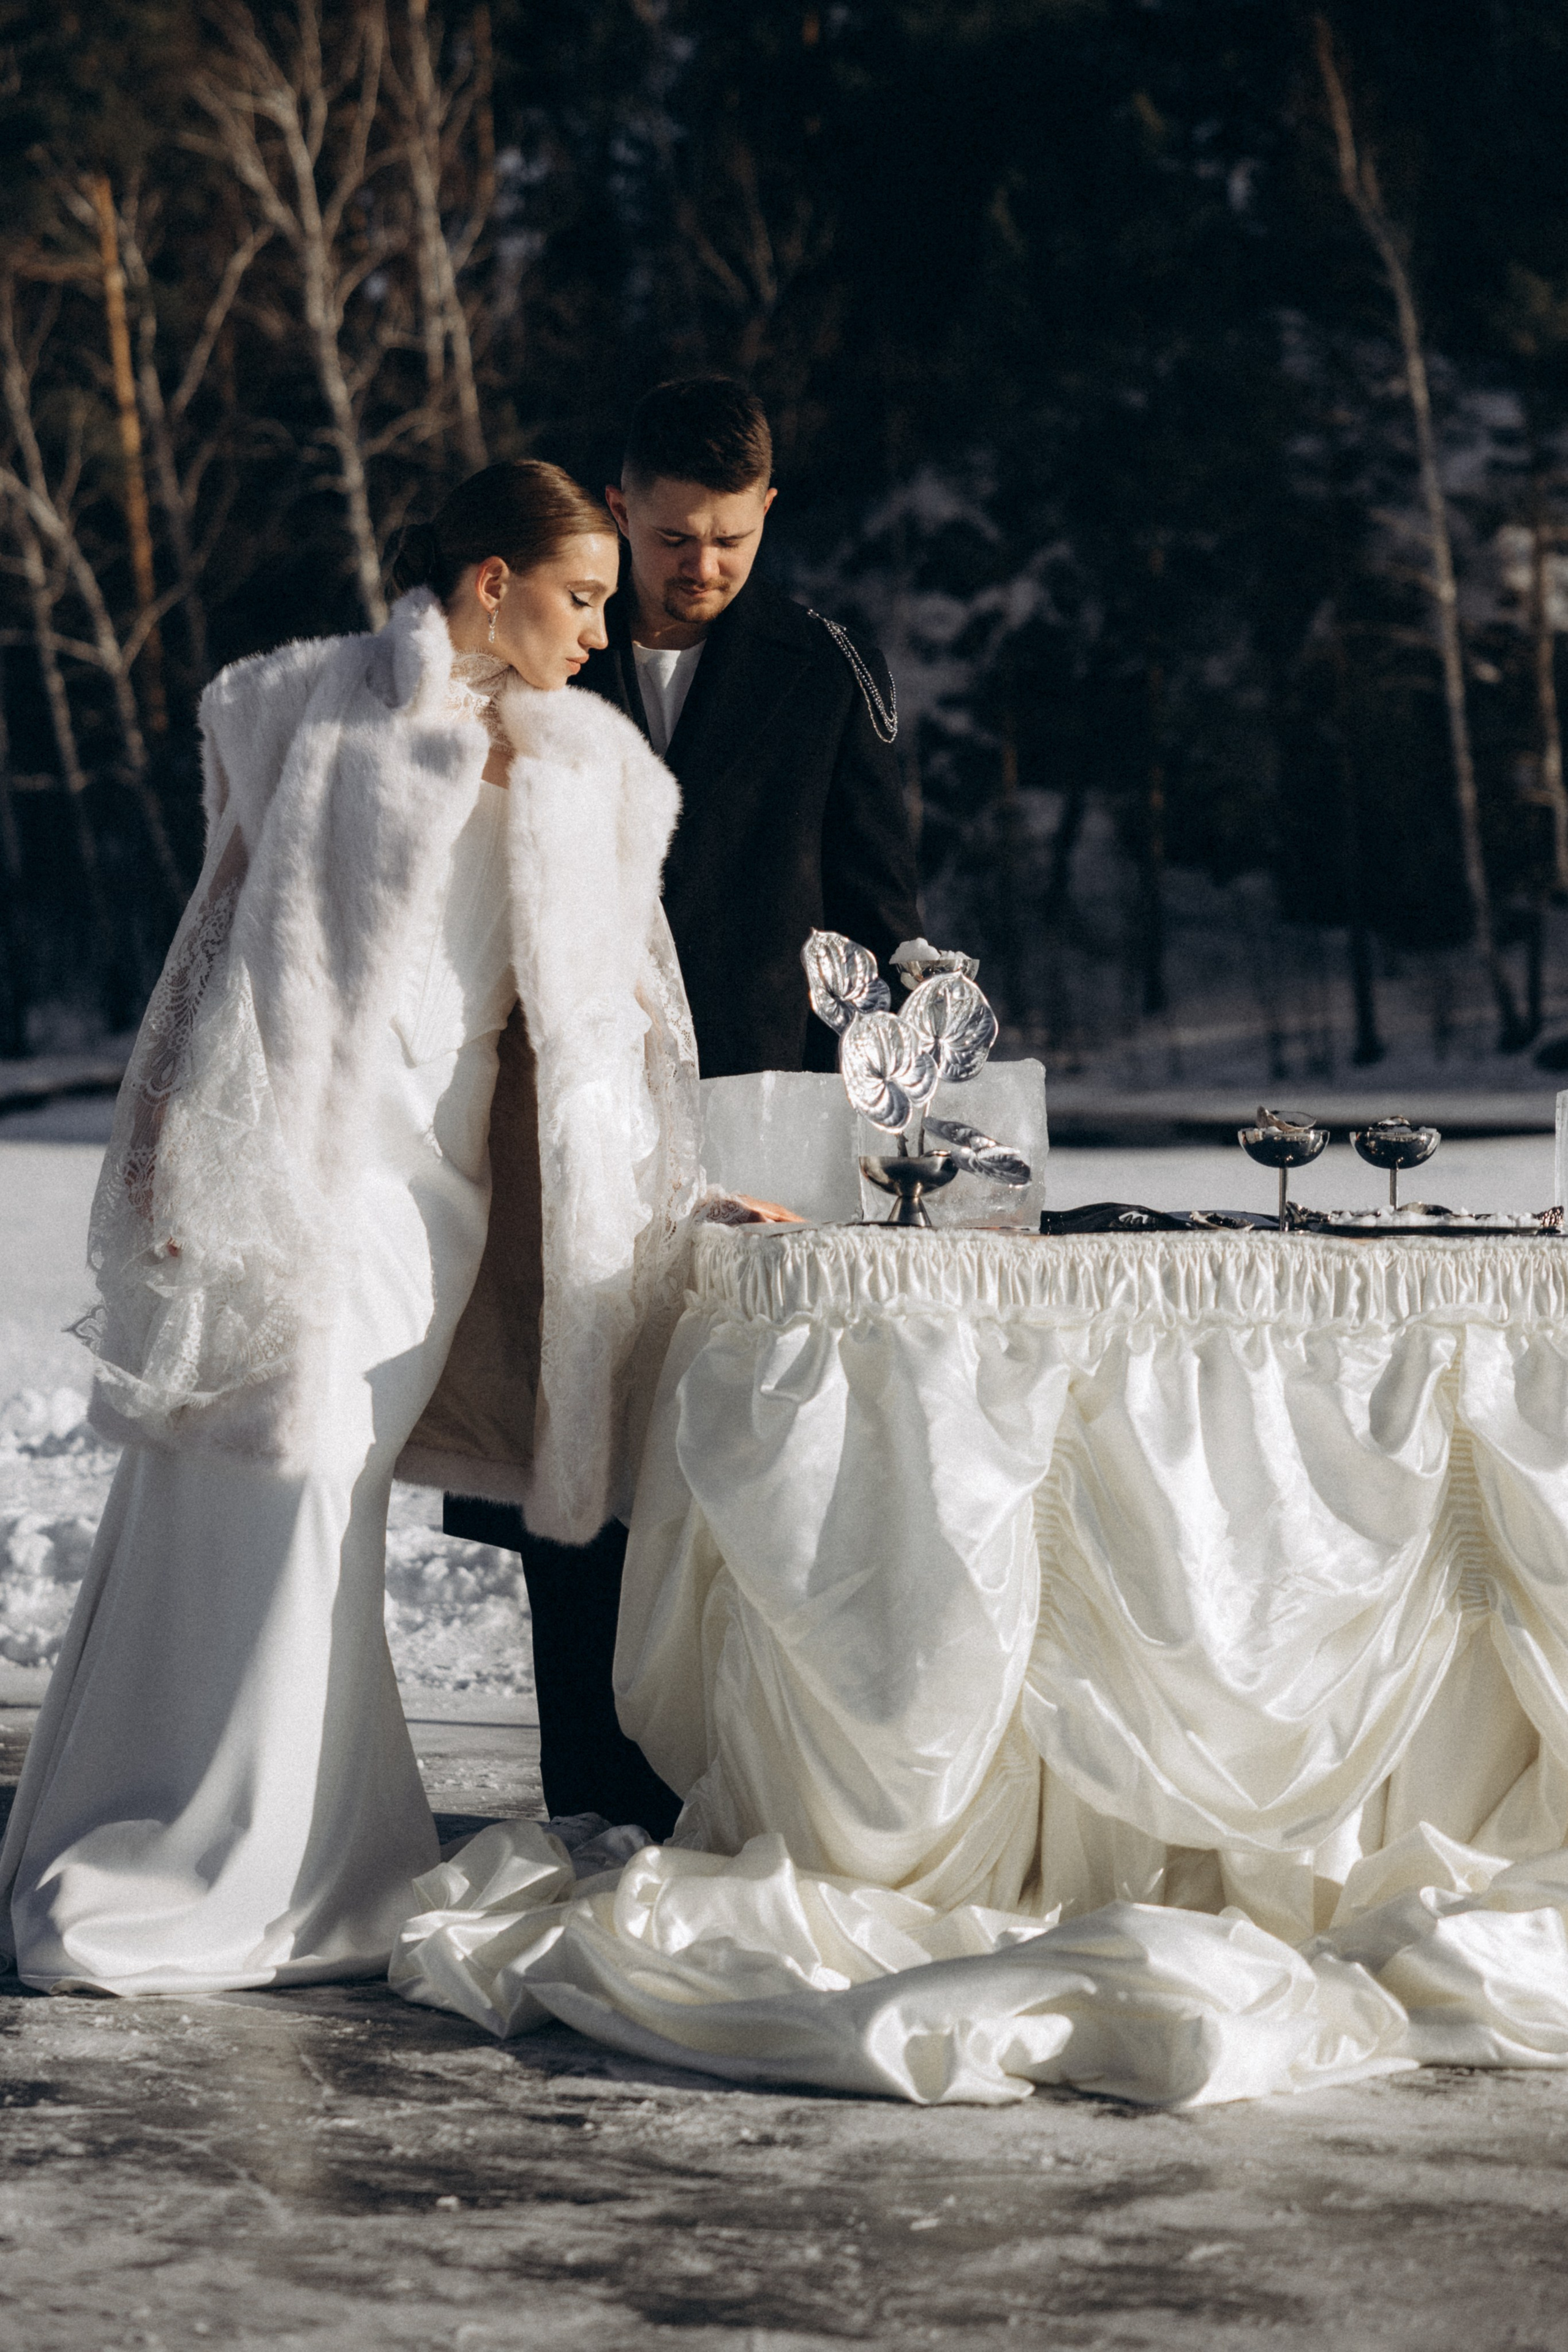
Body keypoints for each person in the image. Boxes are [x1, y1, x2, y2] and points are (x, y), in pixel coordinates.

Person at [0, 459, 709, 1995]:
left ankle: (295, 1851)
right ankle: (204, 1845)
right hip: (291, 1167)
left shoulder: (593, 775)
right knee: (253, 1482)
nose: (603, 629)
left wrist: (677, 1181)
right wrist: (160, 1167)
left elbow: (628, 1030)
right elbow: (212, 955)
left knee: (319, 1493)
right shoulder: (305, 715)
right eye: (580, 595)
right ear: (488, 583)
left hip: (430, 1201)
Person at [445, 379, 921, 1831]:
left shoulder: (825, 668)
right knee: (566, 1461)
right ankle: (586, 1797)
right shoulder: (535, 648)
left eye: (727, 539)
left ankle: (723, 1791)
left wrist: (888, 1120)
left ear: (768, 514)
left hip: (755, 1134)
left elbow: (879, 920)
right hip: (561, 1121)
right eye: (667, 538)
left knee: (734, 1466)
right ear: (616, 507)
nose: (697, 569)